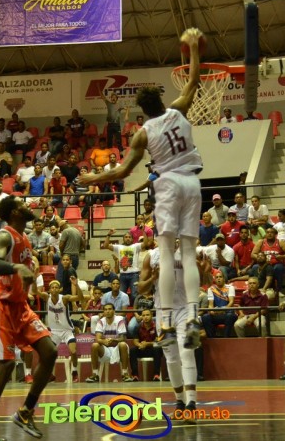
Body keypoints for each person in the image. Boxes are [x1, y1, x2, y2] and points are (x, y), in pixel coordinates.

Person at [77, 28, 205, 349]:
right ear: (161, 101)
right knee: (189, 254)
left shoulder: (143, 133)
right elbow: (193, 80)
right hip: (192, 182)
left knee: (166, 254)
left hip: (169, 185)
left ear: (143, 112)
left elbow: (123, 170)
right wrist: (192, 47)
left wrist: (93, 179)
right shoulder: (178, 109)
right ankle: (192, 317)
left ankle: (166, 322)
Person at [0, 196, 57, 441]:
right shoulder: (4, 235)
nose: (27, 206)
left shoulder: (25, 238)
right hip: (0, 305)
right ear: (13, 213)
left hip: (20, 306)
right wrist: (17, 268)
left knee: (50, 351)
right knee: (6, 364)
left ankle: (25, 411)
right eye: (21, 204)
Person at [138, 239, 200, 419]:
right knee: (171, 359)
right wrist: (153, 278)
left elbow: (204, 280)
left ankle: (191, 404)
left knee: (187, 352)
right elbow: (141, 288)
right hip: (163, 312)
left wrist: (204, 271)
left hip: (185, 309)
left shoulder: (188, 254)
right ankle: (180, 402)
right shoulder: (151, 257)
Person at [38, 277, 83, 383]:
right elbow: (35, 291)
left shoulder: (64, 299)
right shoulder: (46, 297)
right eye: (52, 287)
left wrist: (76, 285)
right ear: (49, 290)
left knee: (73, 351)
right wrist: (35, 278)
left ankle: (74, 371)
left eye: (56, 287)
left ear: (59, 289)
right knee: (47, 353)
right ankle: (49, 374)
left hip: (67, 330)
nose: (54, 289)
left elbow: (80, 297)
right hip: (54, 331)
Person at [85, 303, 134, 383]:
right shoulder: (101, 321)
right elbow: (98, 338)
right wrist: (104, 341)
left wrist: (113, 340)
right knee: (94, 345)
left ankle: (125, 374)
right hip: (106, 350)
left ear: (114, 311)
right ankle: (95, 375)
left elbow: (123, 338)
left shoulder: (119, 320)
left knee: (123, 344)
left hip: (118, 349)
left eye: (110, 309)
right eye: (105, 310)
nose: (107, 311)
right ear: (103, 312)